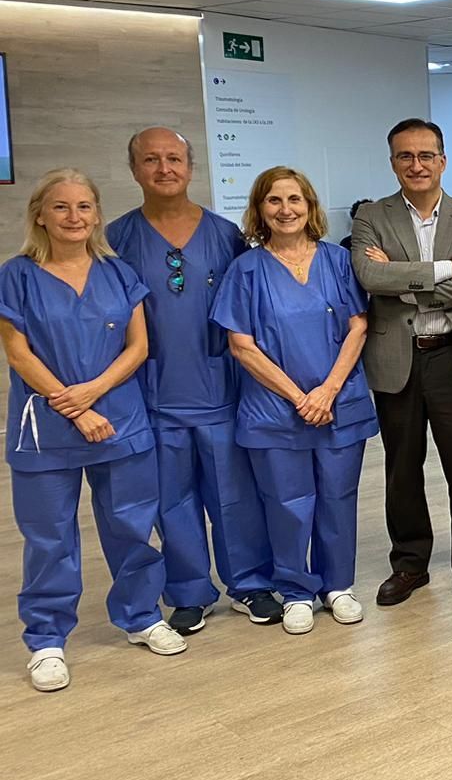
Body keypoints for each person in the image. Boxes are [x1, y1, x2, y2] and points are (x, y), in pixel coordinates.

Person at [2, 169, 185, 691]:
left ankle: (141, 615)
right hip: (47, 427)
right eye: (61, 207)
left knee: (131, 525)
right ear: (40, 214)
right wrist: (76, 406)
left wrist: (93, 392)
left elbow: (138, 347)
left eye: (84, 207)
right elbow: (17, 353)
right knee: (50, 536)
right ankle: (46, 639)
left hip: (120, 419)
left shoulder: (118, 272)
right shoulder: (16, 275)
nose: (74, 217)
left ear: (97, 214)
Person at [107, 127, 279, 633]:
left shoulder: (227, 236)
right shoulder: (116, 240)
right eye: (152, 159)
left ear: (190, 165)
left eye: (175, 158)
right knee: (172, 498)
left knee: (235, 495)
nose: (164, 169)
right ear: (134, 168)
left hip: (221, 391)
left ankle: (249, 583)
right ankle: (188, 591)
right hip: (155, 395)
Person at [212, 168, 377, 635]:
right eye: (274, 201)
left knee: (338, 498)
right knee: (287, 502)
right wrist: (299, 396)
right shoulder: (246, 269)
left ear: (310, 207)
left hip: (337, 402)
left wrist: (327, 391)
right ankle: (297, 590)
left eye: (295, 200)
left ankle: (338, 585)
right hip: (274, 409)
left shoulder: (336, 261)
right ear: (259, 209)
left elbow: (358, 326)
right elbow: (241, 344)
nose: (286, 210)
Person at [351, 119, 452, 614]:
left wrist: (403, 279)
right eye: (405, 156)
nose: (416, 165)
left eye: (426, 155)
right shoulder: (371, 216)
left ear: (443, 159)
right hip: (398, 358)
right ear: (392, 161)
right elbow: (370, 276)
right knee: (402, 467)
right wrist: (446, 269)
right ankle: (410, 562)